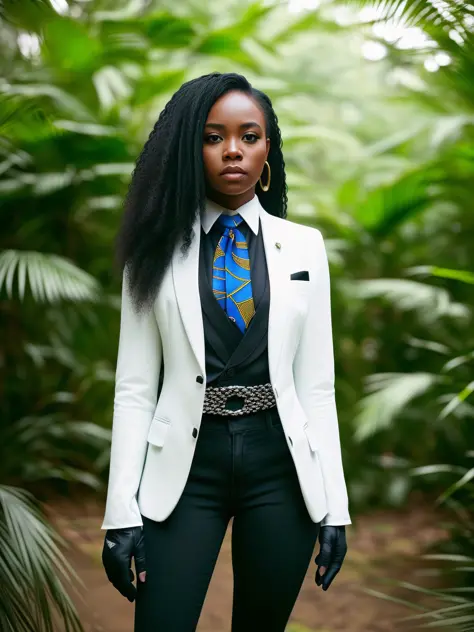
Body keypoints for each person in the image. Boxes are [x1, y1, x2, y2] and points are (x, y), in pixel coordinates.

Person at [101, 72, 351, 632]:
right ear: (190, 149)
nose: (232, 150)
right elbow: (135, 389)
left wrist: (335, 504)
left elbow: (317, 388)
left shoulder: (304, 246)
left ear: (268, 151)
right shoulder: (154, 250)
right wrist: (120, 514)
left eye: (249, 136)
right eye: (213, 137)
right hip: (183, 469)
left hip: (280, 467)